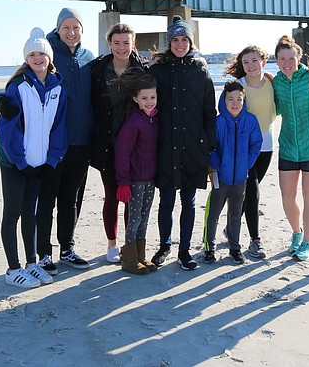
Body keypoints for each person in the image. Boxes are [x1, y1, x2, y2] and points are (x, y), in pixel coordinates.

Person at [0, 27, 66, 288]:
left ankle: (31, 263)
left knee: (30, 213)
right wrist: (21, 162)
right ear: (27, 59)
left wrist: (52, 160)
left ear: (49, 57)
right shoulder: (17, 86)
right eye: (32, 54)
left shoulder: (57, 88)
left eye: (42, 54)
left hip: (38, 162)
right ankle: (13, 270)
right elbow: (5, 129)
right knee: (12, 213)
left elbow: (59, 127)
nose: (38, 58)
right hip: (14, 162)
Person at [148, 14, 217, 270]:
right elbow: (146, 105)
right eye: (175, 40)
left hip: (193, 147)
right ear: (169, 43)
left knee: (188, 201)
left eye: (184, 39)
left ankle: (184, 250)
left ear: (190, 41)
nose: (179, 44)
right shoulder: (157, 71)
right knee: (166, 201)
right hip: (165, 147)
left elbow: (210, 112)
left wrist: (209, 144)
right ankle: (164, 245)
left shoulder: (201, 71)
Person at [90, 23, 150, 264]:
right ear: (110, 44)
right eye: (117, 42)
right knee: (112, 196)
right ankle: (112, 244)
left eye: (126, 42)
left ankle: (130, 243)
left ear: (133, 43)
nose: (122, 47)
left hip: (135, 145)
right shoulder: (98, 70)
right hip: (106, 143)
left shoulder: (143, 70)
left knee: (133, 198)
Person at [272, 35, 309, 262]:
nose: (287, 62)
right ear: (276, 61)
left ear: (299, 58)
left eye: (291, 58)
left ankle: (307, 243)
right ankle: (296, 233)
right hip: (287, 147)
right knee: (287, 196)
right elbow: (269, 108)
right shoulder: (275, 82)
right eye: (282, 59)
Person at [224, 45, 276, 258]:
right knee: (253, 191)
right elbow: (228, 113)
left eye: (254, 61)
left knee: (248, 192)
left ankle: (230, 228)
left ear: (263, 61)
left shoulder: (272, 81)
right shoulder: (238, 86)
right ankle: (255, 240)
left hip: (267, 144)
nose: (251, 65)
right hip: (244, 146)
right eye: (246, 62)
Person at [203, 80, 263, 264]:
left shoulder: (250, 120)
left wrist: (247, 164)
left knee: (235, 214)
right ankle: (209, 248)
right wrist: (216, 164)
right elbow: (210, 146)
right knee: (213, 214)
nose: (235, 103)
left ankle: (235, 248)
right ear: (224, 100)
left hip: (240, 178)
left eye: (239, 99)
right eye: (231, 99)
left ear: (244, 101)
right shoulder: (218, 122)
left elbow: (256, 144)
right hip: (221, 177)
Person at [113, 69, 159, 275]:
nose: (149, 102)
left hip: (150, 178)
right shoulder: (133, 122)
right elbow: (122, 153)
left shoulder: (155, 119)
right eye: (144, 98)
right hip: (135, 180)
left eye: (152, 97)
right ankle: (129, 260)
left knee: (145, 216)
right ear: (136, 99)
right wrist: (123, 182)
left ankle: (141, 255)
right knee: (135, 218)